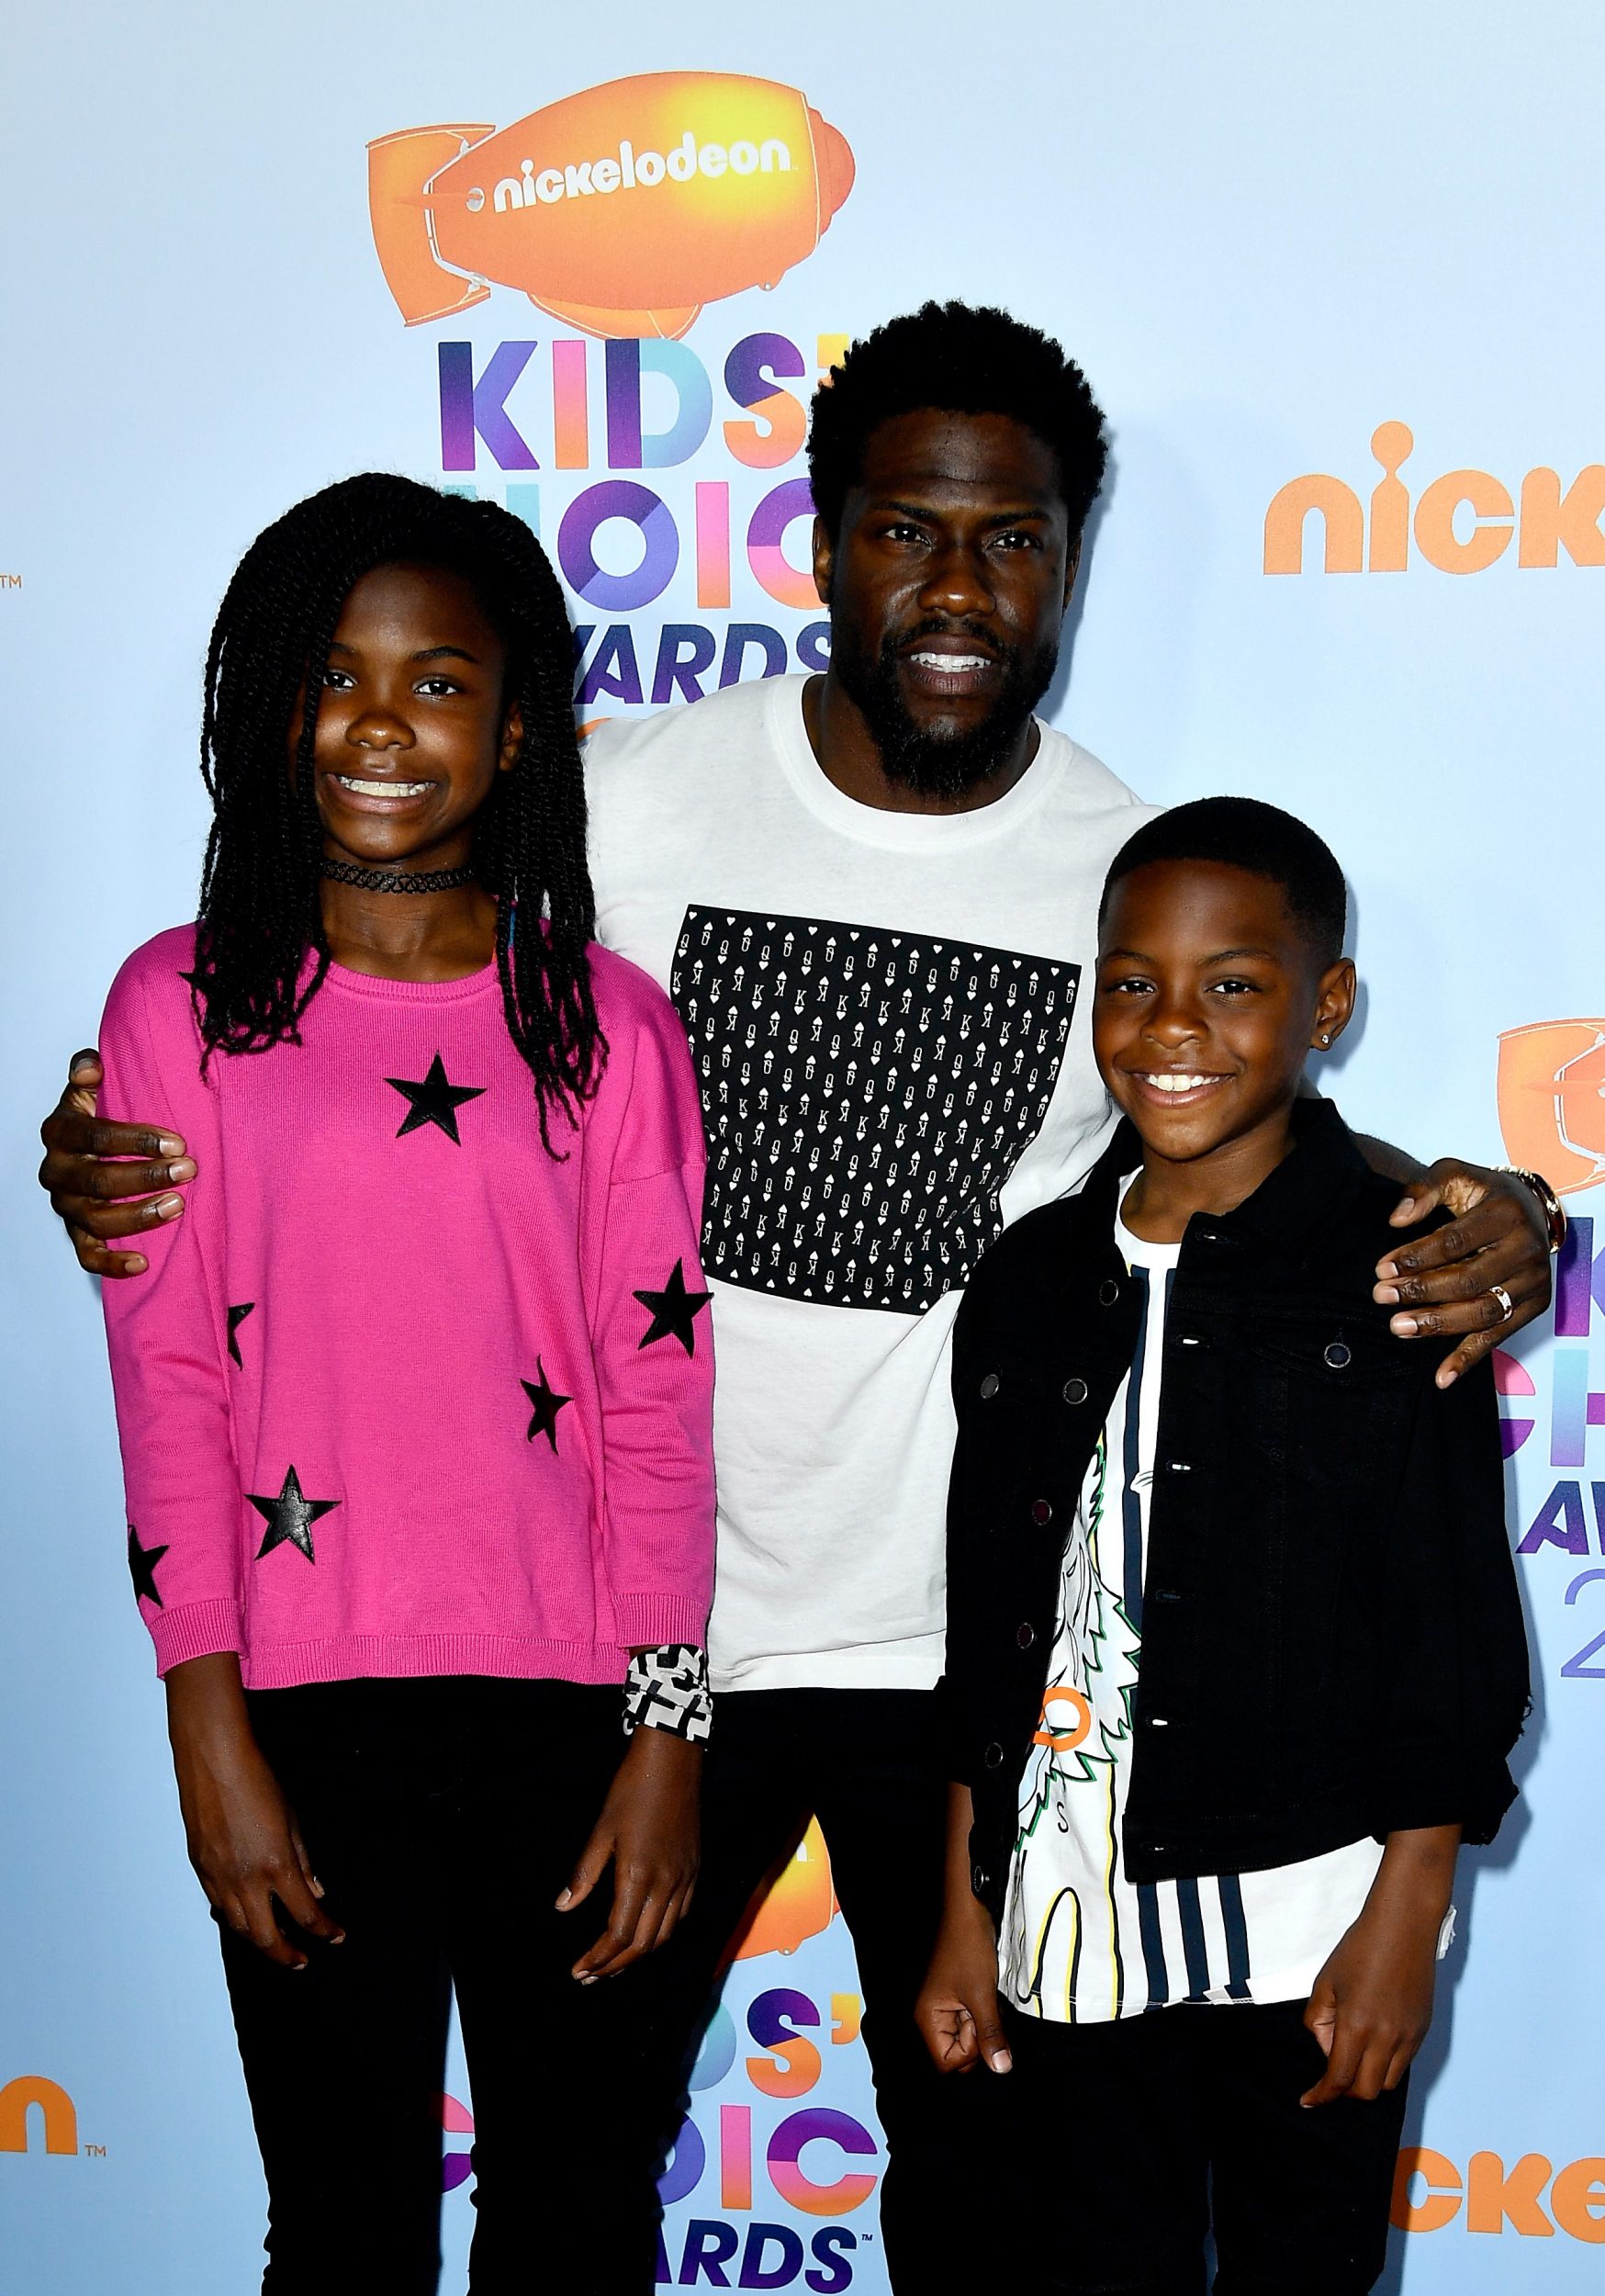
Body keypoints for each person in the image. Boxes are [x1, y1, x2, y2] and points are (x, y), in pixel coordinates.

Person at [39, 306, 1556, 2291]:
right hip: (645, 1665)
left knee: (998, 2214)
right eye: (907, 530)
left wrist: (1505, 1204)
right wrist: (113, 1129)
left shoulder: (1112, 867)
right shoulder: (621, 794)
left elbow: (1244, 1113)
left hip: (965, 1677)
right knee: (561, 2195)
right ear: (820, 542)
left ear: (1073, 564)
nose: (955, 584)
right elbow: (322, 1034)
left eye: (1014, 540)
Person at [90, 474, 715, 2295]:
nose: (380, 724)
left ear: (518, 724)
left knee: (577, 2224)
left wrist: (670, 1731)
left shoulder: (602, 1022)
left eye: (438, 681)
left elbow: (657, 1395)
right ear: (274, 705)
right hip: (300, 1717)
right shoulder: (176, 1009)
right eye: (335, 676)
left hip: (578, 1721)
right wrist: (210, 1730)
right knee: (346, 2232)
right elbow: (167, 1376)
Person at [916, 796, 1531, 2295]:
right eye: (1131, 980)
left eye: (1232, 984)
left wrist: (1410, 1915)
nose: (1170, 1026)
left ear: (1327, 1005)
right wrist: (961, 1909)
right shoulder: (1031, 1275)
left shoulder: (1405, 1265)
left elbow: (1447, 1627)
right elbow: (993, 1622)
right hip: (1069, 1920)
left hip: (1314, 1930)